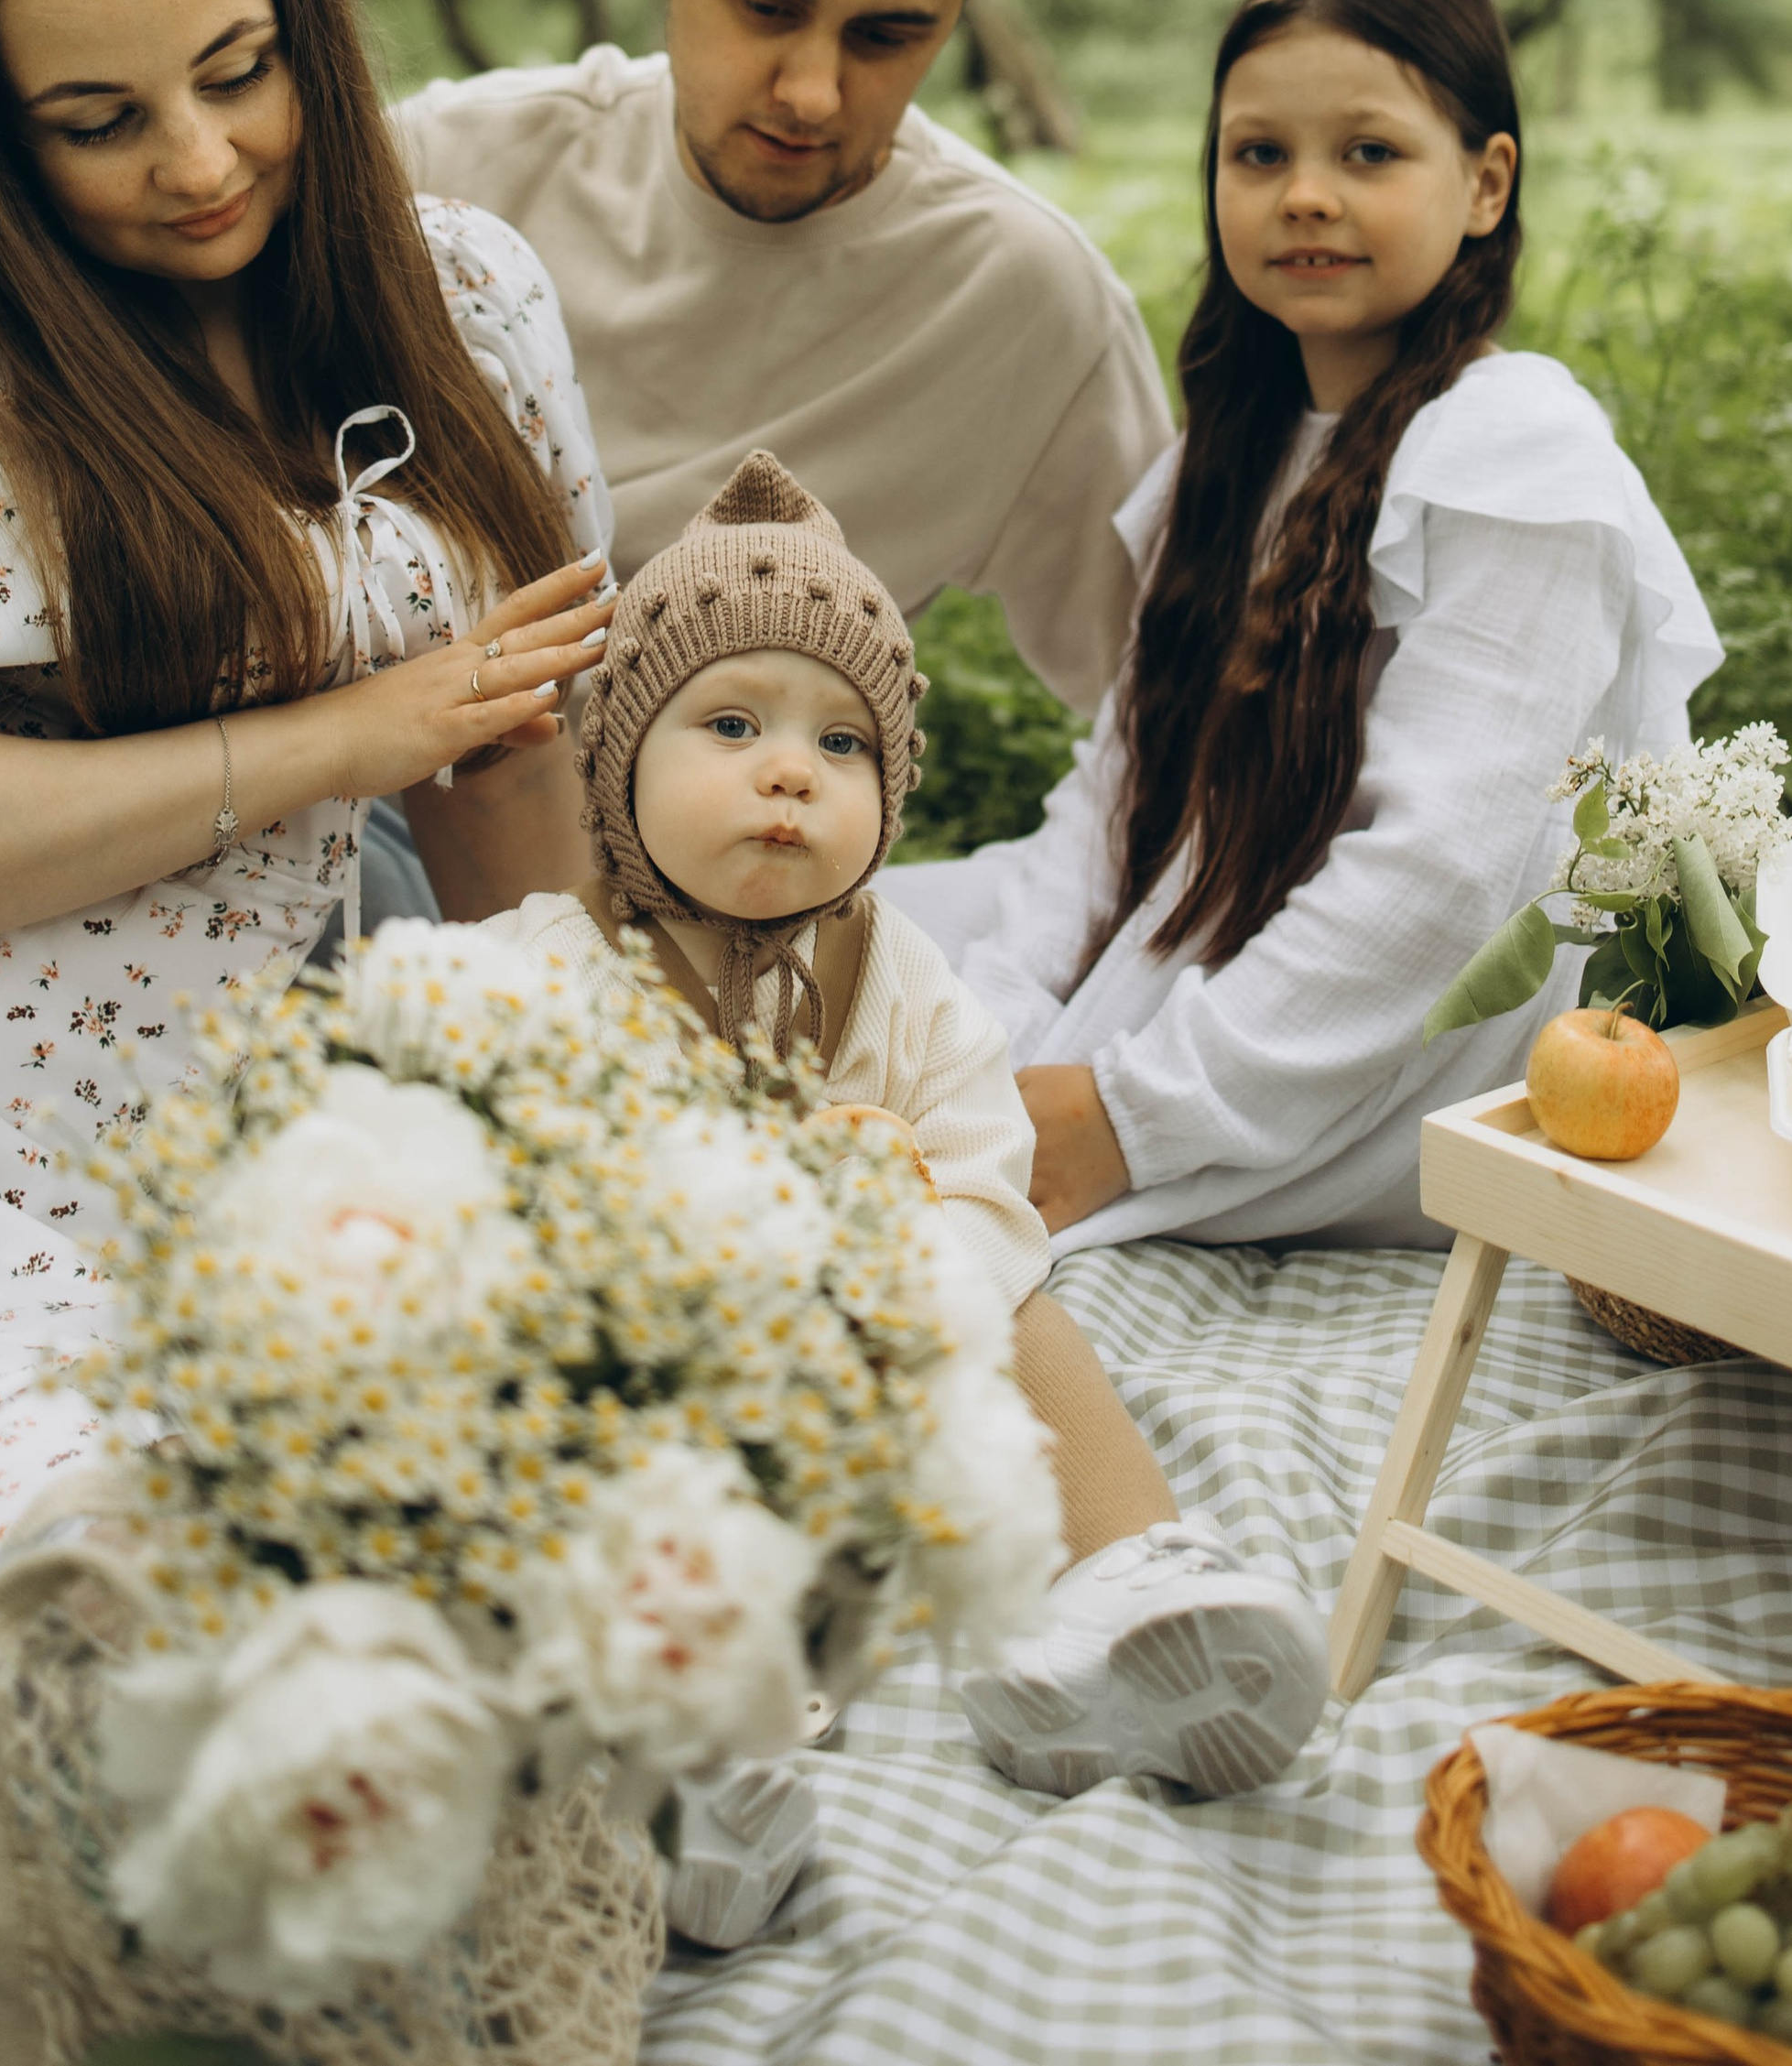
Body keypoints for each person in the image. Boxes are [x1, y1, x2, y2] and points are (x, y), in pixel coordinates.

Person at [0, 0, 615, 1786]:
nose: (201, 158)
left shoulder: (466, 302)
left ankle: (610, 1767)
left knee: (578, 1427)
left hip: (205, 1129)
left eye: (240, 71)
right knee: (93, 1583)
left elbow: (504, 790)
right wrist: (334, 738)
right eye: (98, 120)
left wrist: (582, 1138)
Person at [498, 452, 1327, 1942]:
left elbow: (988, 1167)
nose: (790, 771)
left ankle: (1122, 1584)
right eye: (731, 724)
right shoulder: (546, 972)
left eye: (842, 743)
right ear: (615, 761)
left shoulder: (901, 977)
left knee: (1026, 1315)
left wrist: (920, 1241)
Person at [886, 0, 1723, 1256]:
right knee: (814, 948)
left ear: (1487, 182)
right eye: (1260, 153)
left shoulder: (1518, 449)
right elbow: (1117, 800)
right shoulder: (1234, 455)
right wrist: (986, 1032)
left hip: (1393, 1056)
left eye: (1369, 153)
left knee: (894, 1118)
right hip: (1217, 928)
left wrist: (1120, 1117)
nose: (1306, 196)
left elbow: (1437, 887)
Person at [391, 0, 1172, 705]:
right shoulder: (441, 167)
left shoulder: (1028, 301)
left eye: (885, 36)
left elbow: (1173, 705)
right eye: (767, 6)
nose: (812, 92)